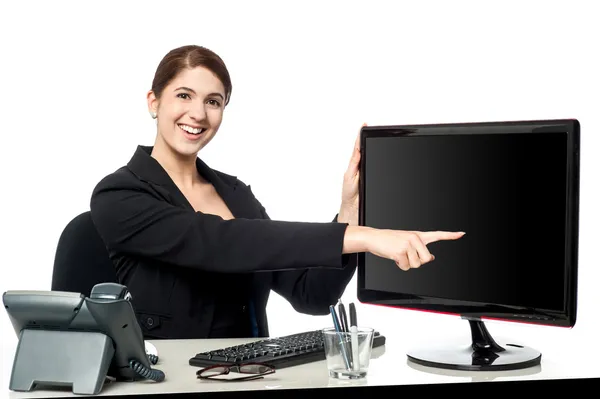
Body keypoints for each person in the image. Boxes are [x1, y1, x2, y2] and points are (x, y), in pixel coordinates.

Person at [89, 45, 464, 340]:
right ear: (154, 102)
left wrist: (349, 210)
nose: (198, 114)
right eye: (184, 96)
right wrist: (367, 237)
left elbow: (311, 295)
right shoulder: (119, 195)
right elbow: (222, 242)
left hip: (247, 376)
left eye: (213, 101)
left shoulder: (234, 194)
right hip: (167, 380)